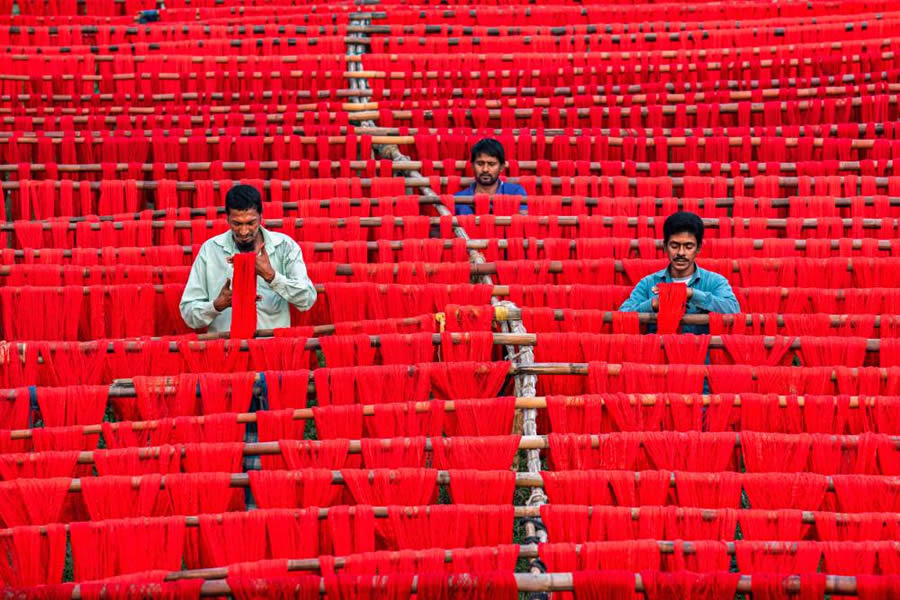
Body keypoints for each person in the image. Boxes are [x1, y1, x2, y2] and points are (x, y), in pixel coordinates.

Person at [180, 184, 317, 334]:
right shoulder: (210, 250)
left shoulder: (285, 247)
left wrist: (271, 276)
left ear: (261, 217)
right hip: (226, 352)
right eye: (237, 224)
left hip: (271, 350)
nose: (244, 231)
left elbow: (307, 299)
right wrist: (217, 305)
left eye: (251, 223)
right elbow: (188, 313)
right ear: (227, 218)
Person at [619, 211, 739, 333]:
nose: (681, 253)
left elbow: (733, 310)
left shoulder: (715, 282)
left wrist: (691, 294)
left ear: (698, 248)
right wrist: (654, 304)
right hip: (659, 351)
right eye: (674, 246)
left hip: (700, 352)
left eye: (688, 246)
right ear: (665, 246)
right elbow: (622, 316)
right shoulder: (648, 283)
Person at [454, 138, 527, 215]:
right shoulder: (459, 198)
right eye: (480, 163)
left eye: (491, 164)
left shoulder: (515, 192)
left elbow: (522, 222)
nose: (485, 169)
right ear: (472, 165)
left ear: (501, 167)